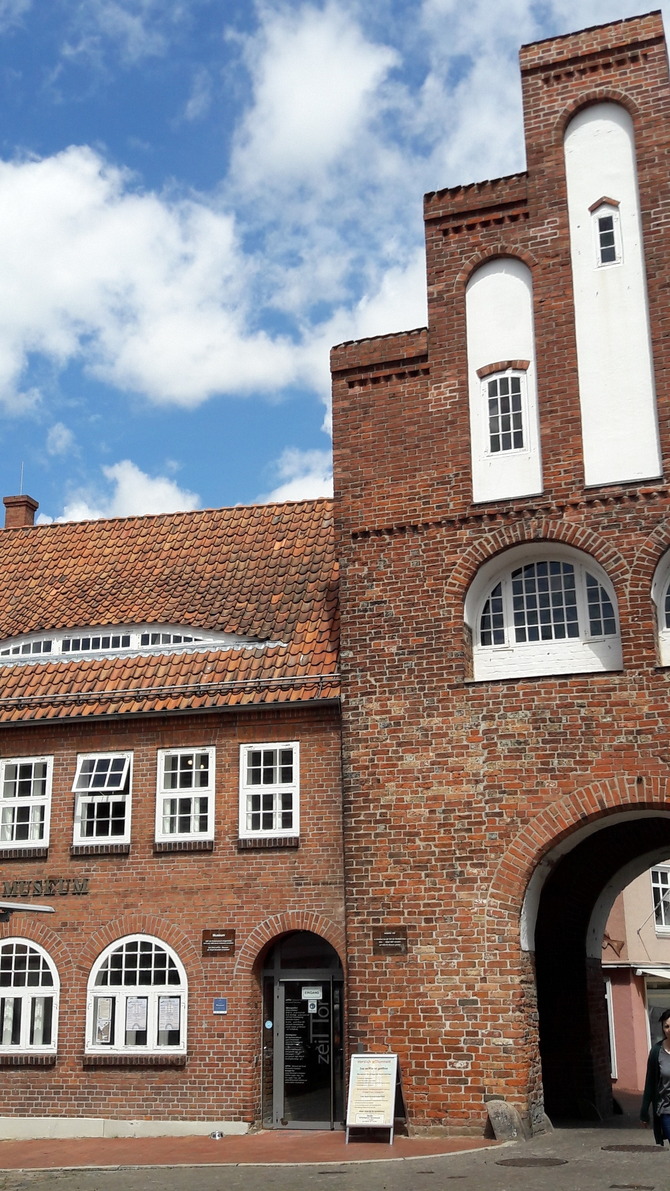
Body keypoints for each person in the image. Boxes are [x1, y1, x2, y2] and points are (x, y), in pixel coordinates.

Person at [640, 1008, 670, 1146]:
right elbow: (650, 1084)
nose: (669, 1029)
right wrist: (644, 1112)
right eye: (667, 1026)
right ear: (663, 1029)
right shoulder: (656, 1052)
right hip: (666, 1109)